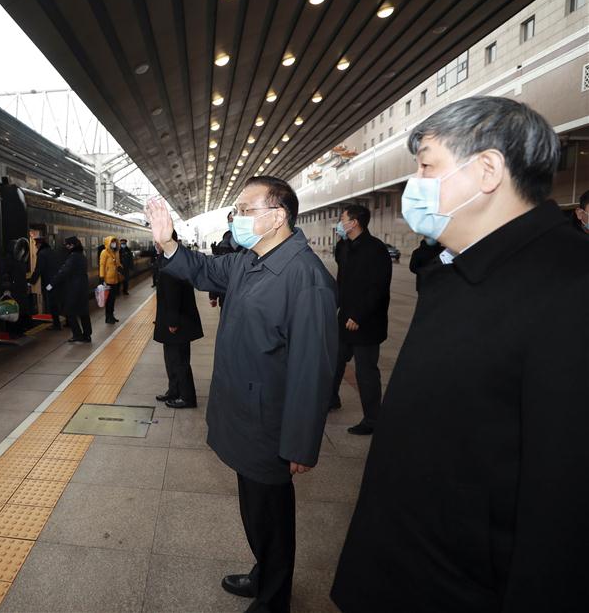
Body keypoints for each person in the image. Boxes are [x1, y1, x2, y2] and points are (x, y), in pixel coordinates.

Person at [331, 96, 589, 612]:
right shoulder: (456, 269)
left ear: (488, 169)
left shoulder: (570, 286)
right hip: (408, 566)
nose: (415, 183)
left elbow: (565, 510)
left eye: (427, 164)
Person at [146, 176, 337, 613]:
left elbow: (314, 372)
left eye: (245, 209)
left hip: (269, 424)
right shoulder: (249, 260)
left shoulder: (305, 278)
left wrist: (301, 444)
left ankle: (273, 599)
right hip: (244, 414)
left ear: (277, 216)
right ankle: (263, 571)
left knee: (270, 514)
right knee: (255, 509)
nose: (236, 218)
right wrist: (168, 243)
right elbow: (202, 270)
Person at [329, 204, 392, 434]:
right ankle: (331, 399)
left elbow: (378, 288)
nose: (339, 222)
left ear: (354, 222)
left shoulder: (375, 249)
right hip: (345, 318)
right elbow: (342, 282)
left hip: (366, 323)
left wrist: (358, 315)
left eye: (342, 218)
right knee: (335, 361)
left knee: (366, 371)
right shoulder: (344, 247)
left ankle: (373, 420)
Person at [154, 230, 203, 409]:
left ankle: (187, 397)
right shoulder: (167, 259)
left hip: (178, 322)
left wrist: (173, 322)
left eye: (158, 241)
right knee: (171, 359)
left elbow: (174, 295)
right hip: (172, 320)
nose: (156, 244)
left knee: (180, 361)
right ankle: (174, 390)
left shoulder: (173, 262)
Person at [49, 236, 91, 343]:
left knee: (69, 311)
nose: (66, 247)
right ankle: (87, 335)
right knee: (84, 312)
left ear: (72, 245)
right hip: (83, 287)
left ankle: (77, 335)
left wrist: (52, 284)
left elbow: (63, 271)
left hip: (74, 289)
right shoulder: (82, 255)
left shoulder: (73, 257)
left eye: (67, 245)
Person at [28, 237, 63, 330]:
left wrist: (31, 281)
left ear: (40, 244)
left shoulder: (42, 254)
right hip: (56, 281)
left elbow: (39, 269)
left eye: (36, 244)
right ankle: (60, 323)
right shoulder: (52, 251)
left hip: (49, 282)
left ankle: (56, 325)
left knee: (52, 303)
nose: (35, 246)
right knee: (57, 302)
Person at [210, 211, 243, 308]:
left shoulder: (252, 242)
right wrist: (213, 295)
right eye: (230, 220)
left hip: (246, 295)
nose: (232, 222)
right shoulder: (222, 245)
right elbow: (216, 270)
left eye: (235, 219)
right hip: (226, 295)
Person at [99, 235, 123, 324]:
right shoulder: (104, 252)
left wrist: (120, 267)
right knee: (108, 300)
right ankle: (108, 317)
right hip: (107, 280)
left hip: (115, 279)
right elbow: (102, 265)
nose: (114, 244)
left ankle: (112, 316)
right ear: (108, 243)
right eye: (112, 242)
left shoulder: (115, 252)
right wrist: (101, 277)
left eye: (115, 242)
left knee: (113, 299)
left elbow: (118, 263)